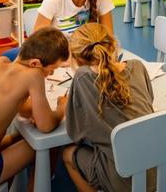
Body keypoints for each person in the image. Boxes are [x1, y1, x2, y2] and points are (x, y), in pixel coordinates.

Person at [0, 27, 69, 192]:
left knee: (19, 138)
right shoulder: (34, 75)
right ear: (35, 64)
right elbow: (46, 126)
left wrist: (35, 112)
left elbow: (20, 107)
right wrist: (62, 108)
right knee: (46, 145)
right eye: (51, 70)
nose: (49, 74)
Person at [62, 23, 155, 192]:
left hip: (125, 180)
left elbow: (75, 133)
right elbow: (150, 100)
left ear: (75, 58)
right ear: (113, 45)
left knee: (68, 154)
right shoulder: (137, 66)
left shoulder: (82, 78)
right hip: (162, 164)